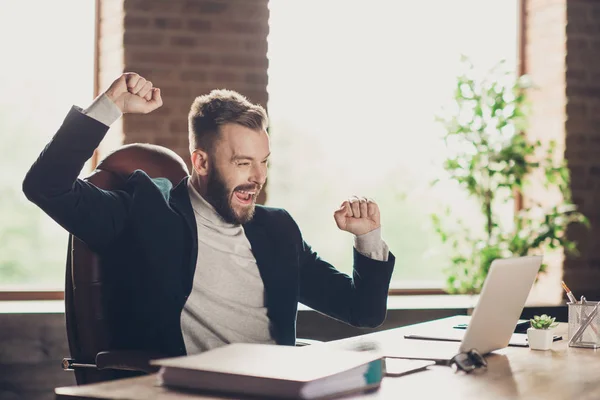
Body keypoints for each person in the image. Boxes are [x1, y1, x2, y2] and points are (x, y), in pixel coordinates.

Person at [23, 73, 396, 357]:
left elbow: (362, 311)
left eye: (264, 162)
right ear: (201, 161)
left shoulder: (277, 229)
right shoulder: (146, 211)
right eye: (242, 162)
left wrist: (368, 237)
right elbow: (45, 186)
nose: (258, 178)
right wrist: (108, 106)